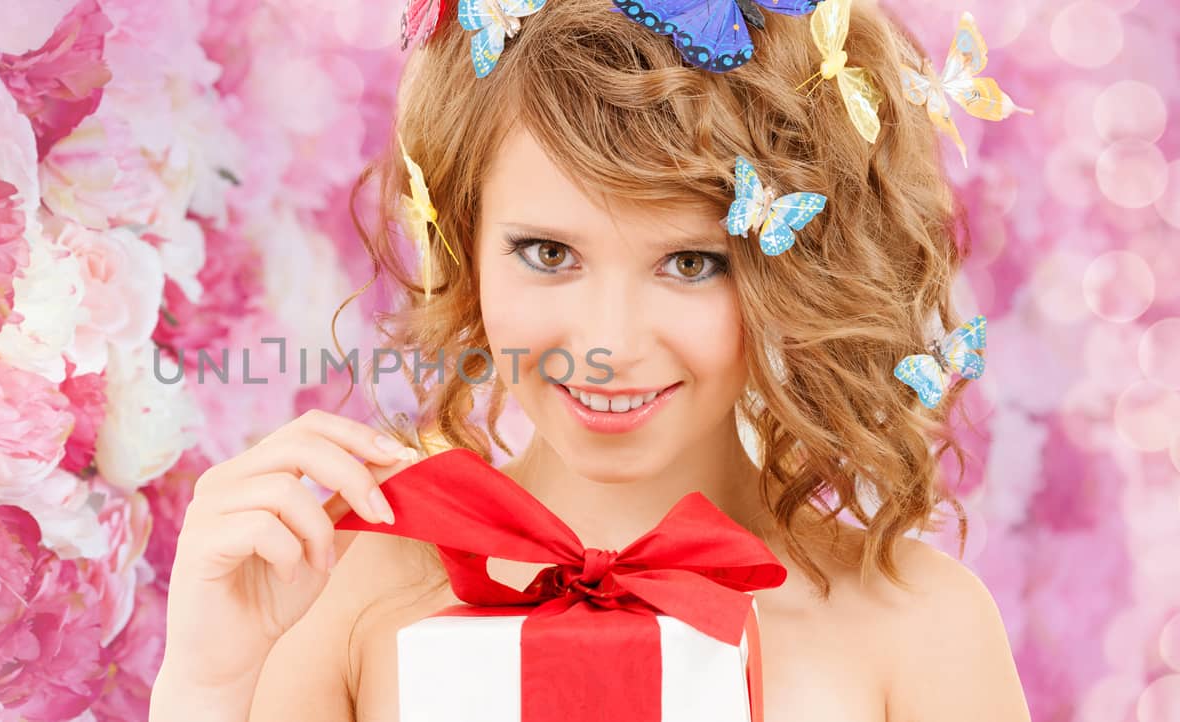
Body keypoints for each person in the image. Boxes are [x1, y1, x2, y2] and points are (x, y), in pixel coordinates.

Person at [151, 1, 1032, 720]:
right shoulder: (336, 600)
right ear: (461, 243)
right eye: (547, 253)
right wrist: (207, 687)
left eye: (690, 263)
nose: (608, 344)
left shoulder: (919, 631)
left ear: (794, 271)